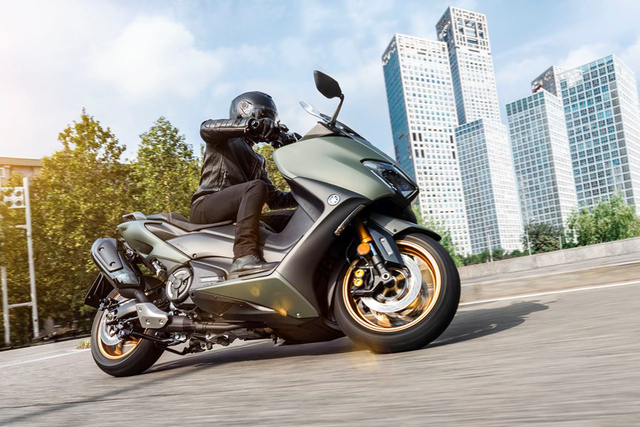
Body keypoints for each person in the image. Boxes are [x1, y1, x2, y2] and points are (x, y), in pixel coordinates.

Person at [190, 91, 298, 276]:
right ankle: (243, 257)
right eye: (263, 116)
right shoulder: (224, 138)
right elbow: (205, 128)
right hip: (206, 206)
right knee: (256, 186)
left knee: (295, 218)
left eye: (270, 119)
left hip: (238, 214)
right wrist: (252, 125)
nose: (267, 122)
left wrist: (309, 193)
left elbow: (274, 199)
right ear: (245, 110)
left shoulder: (257, 159)